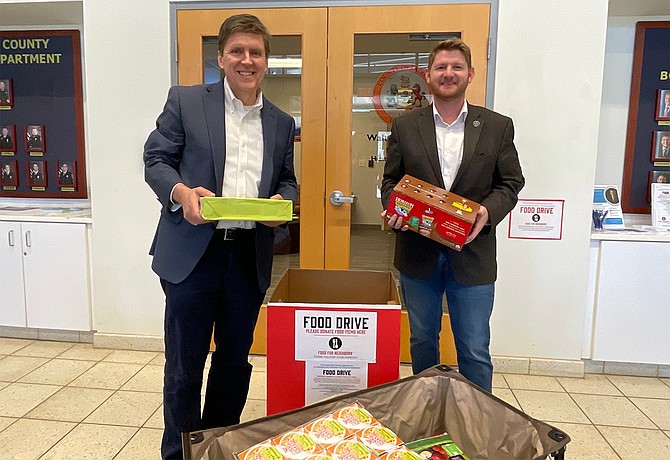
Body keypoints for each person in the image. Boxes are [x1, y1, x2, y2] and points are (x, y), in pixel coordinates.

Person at [143, 14, 297, 459]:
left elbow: (287, 180)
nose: (247, 60)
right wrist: (180, 192)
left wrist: (280, 205)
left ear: (266, 61)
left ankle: (217, 448)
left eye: (256, 52)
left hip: (247, 258)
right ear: (222, 57)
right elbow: (156, 159)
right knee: (185, 368)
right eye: (238, 51)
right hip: (193, 254)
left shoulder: (282, 122)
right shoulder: (187, 101)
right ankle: (178, 453)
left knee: (233, 365)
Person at [381, 38, 524, 393]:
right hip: (418, 255)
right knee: (422, 343)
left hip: (473, 257)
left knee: (474, 349)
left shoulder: (497, 126)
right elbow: (391, 181)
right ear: (428, 75)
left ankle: (479, 426)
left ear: (470, 74)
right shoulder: (405, 126)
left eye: (456, 67)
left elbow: (511, 183)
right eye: (441, 67)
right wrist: (392, 208)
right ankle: (427, 415)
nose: (448, 74)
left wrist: (486, 211)